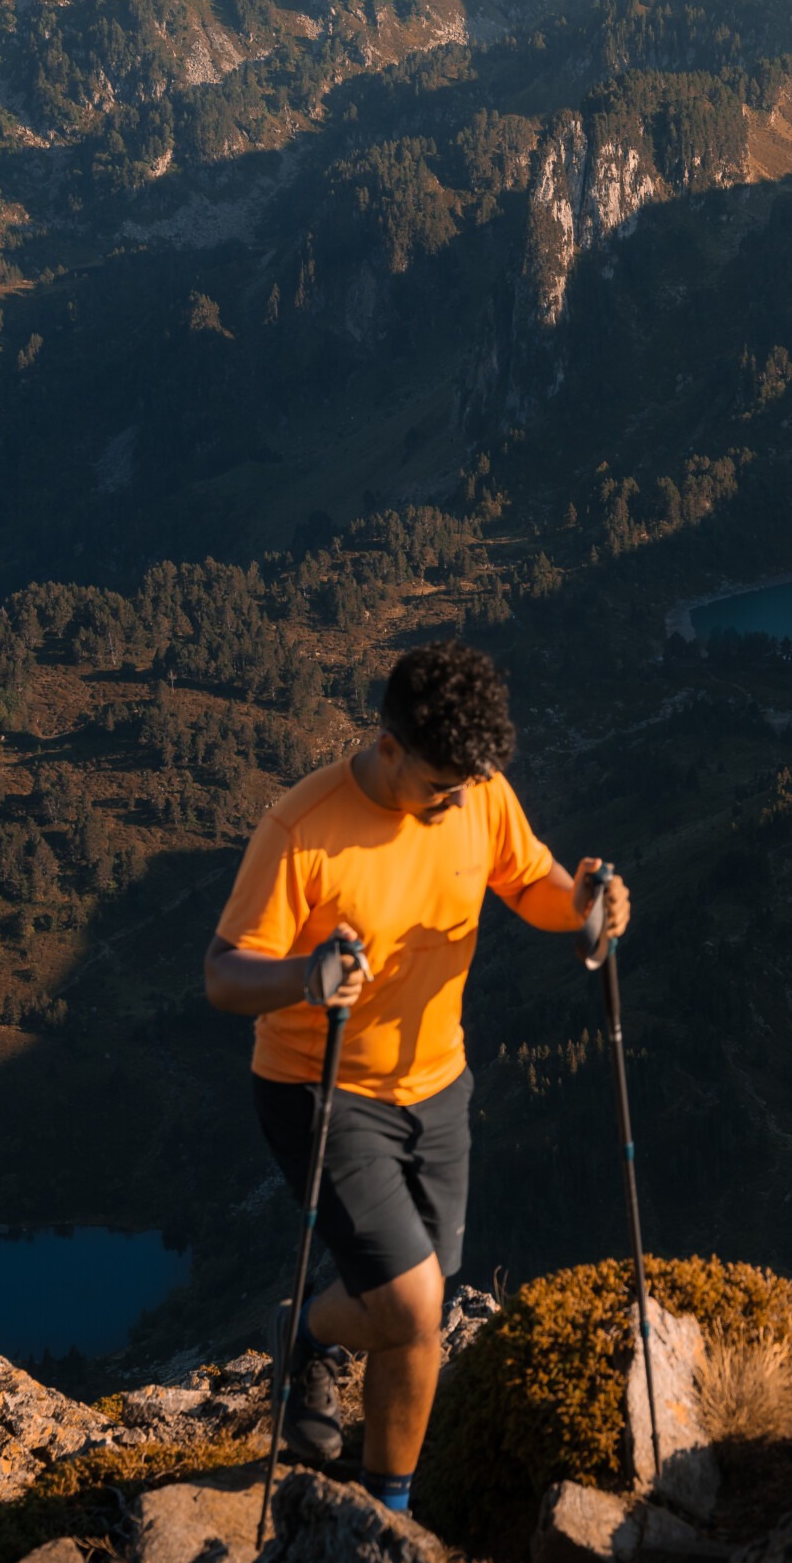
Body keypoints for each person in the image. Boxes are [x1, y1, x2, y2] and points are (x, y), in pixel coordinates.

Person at [204, 639, 629, 1511]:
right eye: (440, 784)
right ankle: (386, 1515)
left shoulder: (477, 792)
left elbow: (531, 882)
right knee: (411, 1307)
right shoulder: (304, 827)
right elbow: (222, 974)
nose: (454, 801)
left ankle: (308, 1336)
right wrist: (303, 975)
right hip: (317, 1089)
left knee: (420, 1304)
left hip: (438, 1083)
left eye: (466, 786)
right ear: (388, 743)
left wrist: (585, 903)